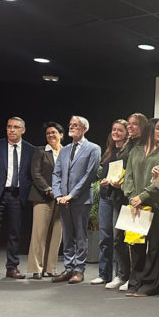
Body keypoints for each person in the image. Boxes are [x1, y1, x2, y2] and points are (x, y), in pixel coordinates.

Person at [0, 117, 36, 281]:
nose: (12, 130)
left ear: (23, 130)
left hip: (17, 195)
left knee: (14, 233)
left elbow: (32, 174)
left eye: (16, 127)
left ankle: (12, 267)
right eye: (9, 127)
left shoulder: (30, 150)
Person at [122, 118, 159, 297]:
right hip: (136, 205)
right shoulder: (135, 151)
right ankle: (134, 283)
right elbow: (127, 177)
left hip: (156, 204)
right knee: (136, 246)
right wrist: (131, 197)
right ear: (149, 130)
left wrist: (142, 196)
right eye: (158, 128)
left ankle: (150, 286)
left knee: (154, 247)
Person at [51, 116, 101, 284]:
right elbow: (56, 173)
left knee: (80, 236)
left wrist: (71, 195)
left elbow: (89, 175)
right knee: (67, 235)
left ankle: (79, 270)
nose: (71, 127)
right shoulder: (64, 150)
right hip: (63, 200)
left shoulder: (93, 148)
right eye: (70, 125)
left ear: (84, 129)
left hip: (80, 200)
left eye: (75, 125)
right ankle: (68, 268)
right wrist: (58, 195)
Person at [107, 113, 148, 290]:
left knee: (135, 241)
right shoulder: (126, 145)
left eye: (135, 125)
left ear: (143, 127)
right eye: (129, 124)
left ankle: (134, 276)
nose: (130, 127)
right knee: (118, 239)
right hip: (120, 196)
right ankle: (122, 275)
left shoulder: (145, 145)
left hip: (135, 198)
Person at [91, 119, 129, 285]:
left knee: (117, 238)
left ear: (127, 133)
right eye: (114, 129)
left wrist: (117, 182)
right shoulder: (109, 151)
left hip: (119, 198)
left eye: (120, 130)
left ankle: (120, 274)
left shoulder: (128, 152)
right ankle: (103, 273)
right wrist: (105, 182)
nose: (116, 133)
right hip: (106, 196)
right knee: (104, 236)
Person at [26, 121, 65, 279]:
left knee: (57, 234)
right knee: (39, 233)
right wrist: (49, 190)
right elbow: (36, 174)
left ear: (61, 135)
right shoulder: (40, 151)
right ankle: (36, 268)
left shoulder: (67, 152)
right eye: (48, 133)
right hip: (43, 197)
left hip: (62, 199)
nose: (51, 135)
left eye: (54, 132)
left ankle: (51, 268)